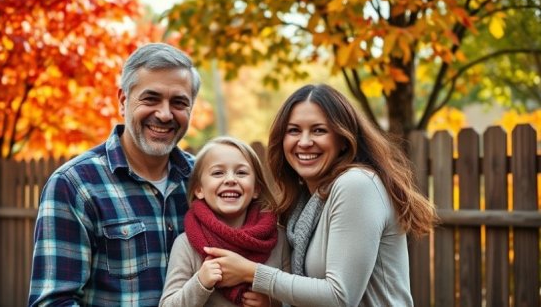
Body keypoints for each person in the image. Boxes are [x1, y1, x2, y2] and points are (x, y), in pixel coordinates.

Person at [203, 84, 437, 307]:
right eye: (294, 130)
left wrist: (251, 272)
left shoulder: (356, 185)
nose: (304, 142)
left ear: (343, 140)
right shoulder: (305, 202)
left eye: (319, 130)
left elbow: (340, 297)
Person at [28, 43, 202, 306]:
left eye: (178, 102)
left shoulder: (203, 181)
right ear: (123, 100)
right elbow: (53, 302)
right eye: (151, 98)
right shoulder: (75, 185)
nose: (165, 114)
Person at [159, 136, 289, 307]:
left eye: (241, 172)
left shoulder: (277, 239)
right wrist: (200, 282)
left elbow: (294, 297)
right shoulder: (186, 244)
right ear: (199, 189)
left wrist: (272, 303)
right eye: (218, 173)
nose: (230, 179)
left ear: (256, 189)